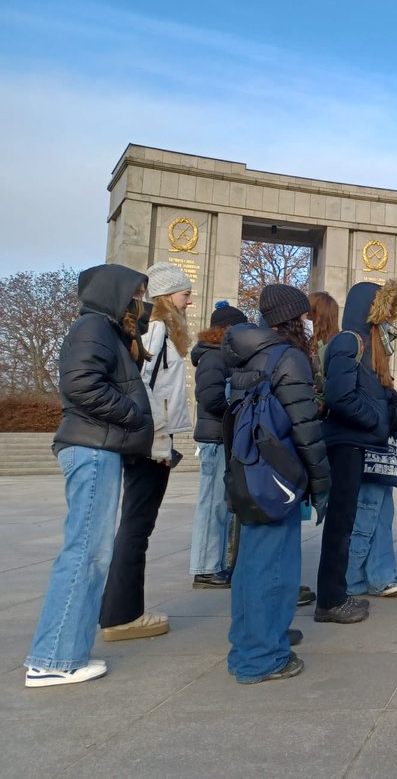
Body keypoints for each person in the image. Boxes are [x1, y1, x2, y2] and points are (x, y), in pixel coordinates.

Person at [24, 265, 153, 687]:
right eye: (137, 292)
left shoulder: (104, 328)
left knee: (88, 551)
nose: (141, 300)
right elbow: (81, 385)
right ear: (116, 291)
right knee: (86, 553)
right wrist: (132, 413)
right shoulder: (93, 327)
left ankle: (60, 654)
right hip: (93, 448)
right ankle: (54, 658)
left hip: (96, 447)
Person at [223, 283, 331, 683]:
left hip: (248, 469)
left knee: (251, 562)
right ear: (291, 318)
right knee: (274, 566)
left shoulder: (244, 353)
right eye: (302, 316)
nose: (307, 322)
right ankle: (260, 657)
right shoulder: (288, 358)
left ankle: (251, 638)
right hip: (278, 474)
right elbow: (305, 429)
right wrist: (321, 483)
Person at [99, 262, 193, 643]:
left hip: (151, 443)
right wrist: (158, 447)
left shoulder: (156, 331)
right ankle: (122, 615)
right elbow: (147, 393)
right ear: (168, 295)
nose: (189, 300)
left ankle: (121, 611)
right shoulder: (156, 331)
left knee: (137, 527)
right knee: (137, 528)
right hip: (149, 446)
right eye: (184, 293)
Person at [316, 280, 397, 622]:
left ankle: (336, 594)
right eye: (383, 311)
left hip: (357, 443)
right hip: (346, 443)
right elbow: (341, 396)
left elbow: (373, 393)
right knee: (340, 525)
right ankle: (330, 599)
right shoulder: (348, 341)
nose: (387, 319)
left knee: (346, 521)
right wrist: (376, 421)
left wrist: (396, 407)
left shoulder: (369, 349)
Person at [343, 280, 397, 600]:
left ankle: (381, 576)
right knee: (366, 514)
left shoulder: (374, 353)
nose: (388, 325)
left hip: (381, 447)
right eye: (383, 318)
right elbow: (354, 401)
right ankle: (352, 578)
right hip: (365, 445)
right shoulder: (352, 349)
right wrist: (394, 411)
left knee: (382, 514)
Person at [189, 300, 248, 589]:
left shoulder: (218, 356)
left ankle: (214, 564)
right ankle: (205, 567)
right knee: (212, 504)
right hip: (215, 438)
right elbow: (210, 398)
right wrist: (237, 408)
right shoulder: (213, 358)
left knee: (220, 505)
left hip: (220, 436)